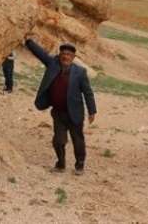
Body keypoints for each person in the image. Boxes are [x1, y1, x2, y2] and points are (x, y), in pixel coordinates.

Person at [24, 37, 97, 175]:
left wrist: (92, 111)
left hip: (75, 113)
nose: (65, 56)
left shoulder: (80, 72)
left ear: (73, 57)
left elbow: (88, 92)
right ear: (59, 55)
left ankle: (80, 164)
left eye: (69, 55)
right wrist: (28, 41)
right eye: (63, 53)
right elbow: (40, 53)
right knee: (58, 140)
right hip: (58, 112)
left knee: (77, 139)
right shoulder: (53, 64)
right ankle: (61, 163)